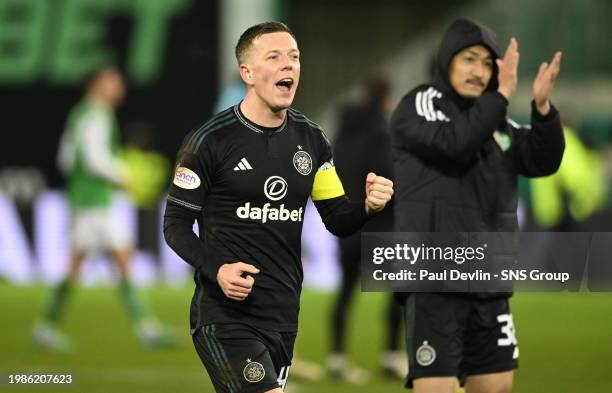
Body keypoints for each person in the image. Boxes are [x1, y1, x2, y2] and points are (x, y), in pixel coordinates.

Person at [163, 22, 393, 393]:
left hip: (284, 316)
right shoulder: (208, 141)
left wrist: (368, 207)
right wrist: (217, 268)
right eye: (275, 57)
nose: (289, 66)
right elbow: (174, 225)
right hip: (225, 317)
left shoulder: (312, 140)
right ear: (248, 73)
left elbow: (337, 219)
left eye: (295, 57)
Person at [390, 19, 564, 393]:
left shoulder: (495, 121)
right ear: (447, 60)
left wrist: (543, 108)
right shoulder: (422, 105)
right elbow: (456, 143)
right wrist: (499, 96)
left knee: (497, 386)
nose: (479, 72)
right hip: (435, 282)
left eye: (488, 64)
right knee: (436, 388)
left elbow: (541, 160)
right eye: (470, 59)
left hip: (487, 281)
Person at [33, 66, 174, 351]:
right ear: (96, 85)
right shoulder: (96, 114)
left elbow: (65, 157)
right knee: (98, 259)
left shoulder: (82, 113)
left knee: (111, 258)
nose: (119, 88)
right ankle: (47, 327)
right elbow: (95, 158)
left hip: (89, 199)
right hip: (93, 202)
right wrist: (122, 175)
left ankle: (145, 326)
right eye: (113, 83)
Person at [327, 76, 405, 383]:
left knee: (345, 291)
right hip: (381, 226)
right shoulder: (381, 135)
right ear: (386, 99)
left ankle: (336, 357)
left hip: (347, 222)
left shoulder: (341, 137)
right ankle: (391, 355)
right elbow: (390, 180)